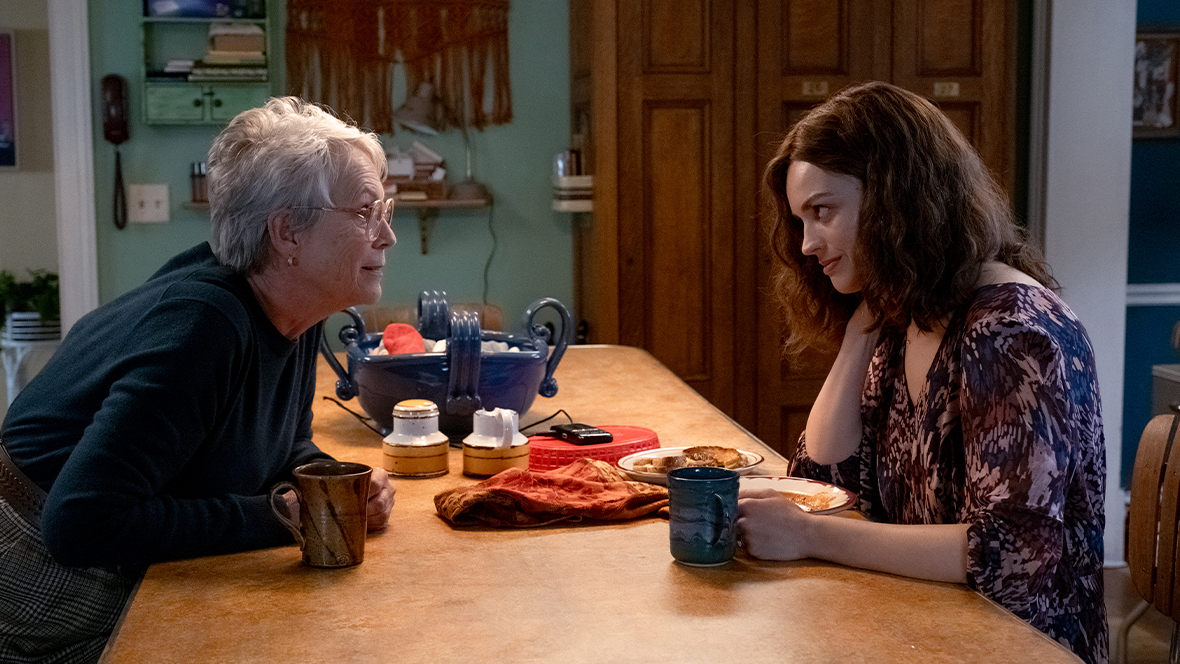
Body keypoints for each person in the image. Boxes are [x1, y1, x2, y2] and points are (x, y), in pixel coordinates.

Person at [0, 97, 397, 663]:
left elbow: (276, 446)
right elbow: (82, 526)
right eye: (364, 212)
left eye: (385, 209)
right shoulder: (204, 326)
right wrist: (289, 512)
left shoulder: (296, 306)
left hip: (97, 563)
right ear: (287, 233)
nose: (386, 236)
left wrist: (333, 482)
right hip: (39, 587)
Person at [737, 82, 1106, 664]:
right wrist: (860, 330)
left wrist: (810, 535)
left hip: (1014, 647)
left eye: (822, 211)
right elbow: (825, 477)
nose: (806, 244)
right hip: (918, 628)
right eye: (800, 220)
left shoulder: (1010, 331)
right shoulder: (911, 311)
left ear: (893, 198)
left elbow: (1009, 556)